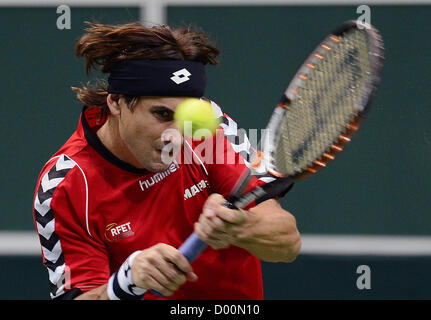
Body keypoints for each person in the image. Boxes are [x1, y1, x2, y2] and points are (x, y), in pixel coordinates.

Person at [32, 22, 301, 300]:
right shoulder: (65, 186)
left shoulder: (210, 128)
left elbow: (288, 243)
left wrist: (239, 227)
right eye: (161, 115)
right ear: (116, 102)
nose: (176, 135)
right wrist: (125, 282)